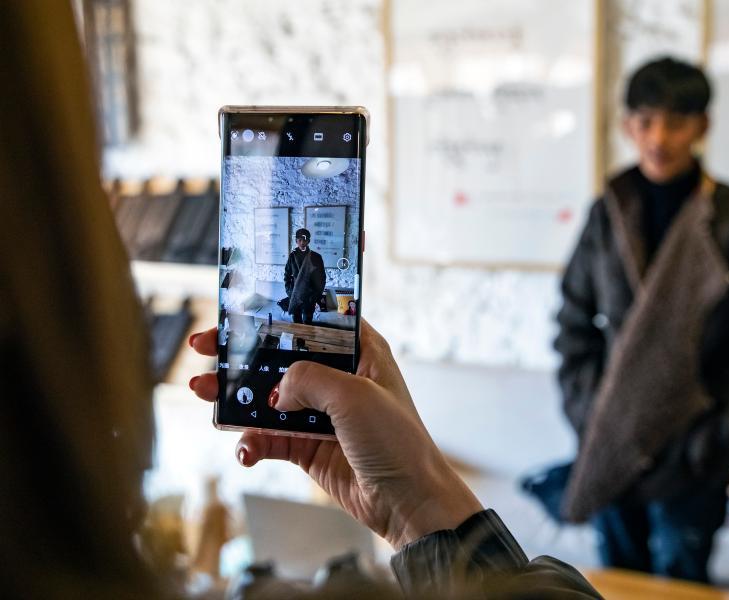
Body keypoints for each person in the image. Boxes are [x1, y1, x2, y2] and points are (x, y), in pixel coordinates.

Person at [0, 4, 599, 597]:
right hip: (298, 307)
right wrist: (419, 505)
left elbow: (311, 279)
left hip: (311, 311)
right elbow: (292, 276)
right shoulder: (293, 257)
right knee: (288, 330)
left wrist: (413, 504)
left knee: (305, 334)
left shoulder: (313, 262)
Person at [554, 57, 729, 582]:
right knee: (614, 586)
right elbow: (572, 324)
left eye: (676, 122)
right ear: (627, 126)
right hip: (612, 440)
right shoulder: (608, 213)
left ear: (702, 126)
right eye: (645, 121)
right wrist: (588, 412)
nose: (659, 138)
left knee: (681, 584)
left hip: (694, 453)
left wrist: (717, 443)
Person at [284, 228, 326, 325]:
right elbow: (287, 275)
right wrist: (289, 291)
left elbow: (322, 278)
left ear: (308, 241)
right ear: (296, 241)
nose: (302, 242)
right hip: (295, 295)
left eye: (305, 240)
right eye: (300, 240)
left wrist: (315, 296)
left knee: (308, 323)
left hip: (309, 297)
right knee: (296, 323)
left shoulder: (316, 257)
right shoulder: (292, 256)